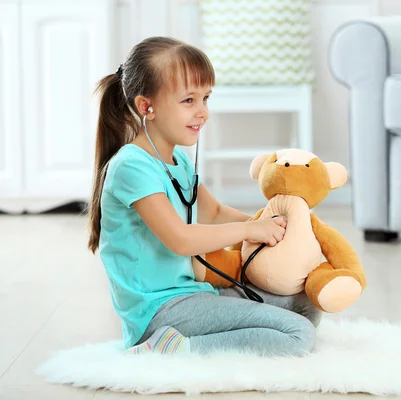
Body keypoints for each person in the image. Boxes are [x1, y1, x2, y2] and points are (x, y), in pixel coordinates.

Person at [86, 36, 321, 357]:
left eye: (206, 98)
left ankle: (220, 340)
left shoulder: (178, 159)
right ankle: (167, 350)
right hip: (159, 311)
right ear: (146, 106)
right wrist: (251, 231)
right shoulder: (132, 165)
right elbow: (181, 240)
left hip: (196, 293)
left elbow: (212, 211)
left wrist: (275, 225)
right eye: (189, 101)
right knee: (298, 333)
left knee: (304, 301)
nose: (203, 113)